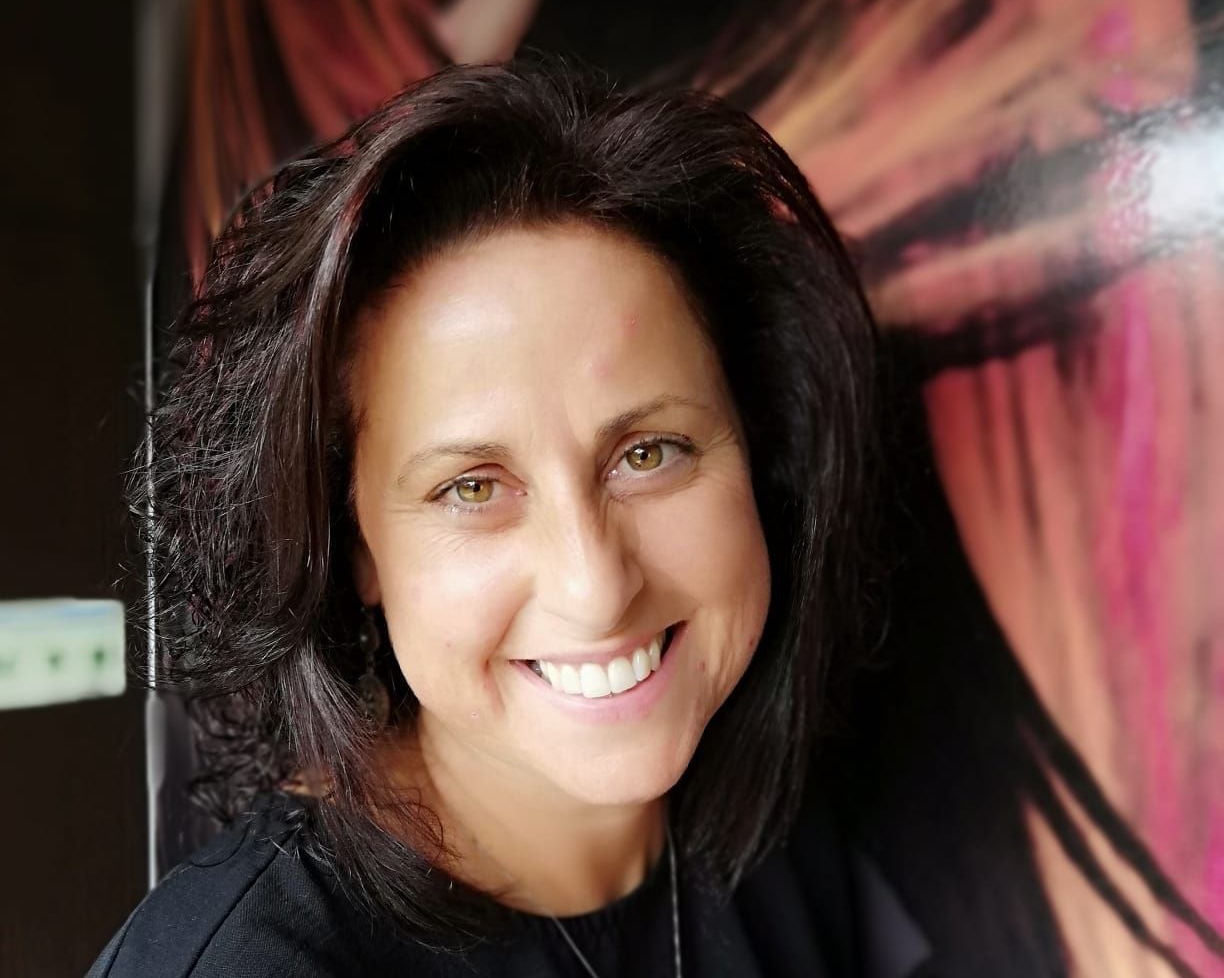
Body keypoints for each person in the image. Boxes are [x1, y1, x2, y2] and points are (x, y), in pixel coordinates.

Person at [89, 60, 1220, 977]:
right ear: (354, 552)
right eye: (472, 488)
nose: (595, 584)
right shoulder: (246, 960)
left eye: (648, 454)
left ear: (761, 457)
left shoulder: (773, 841)